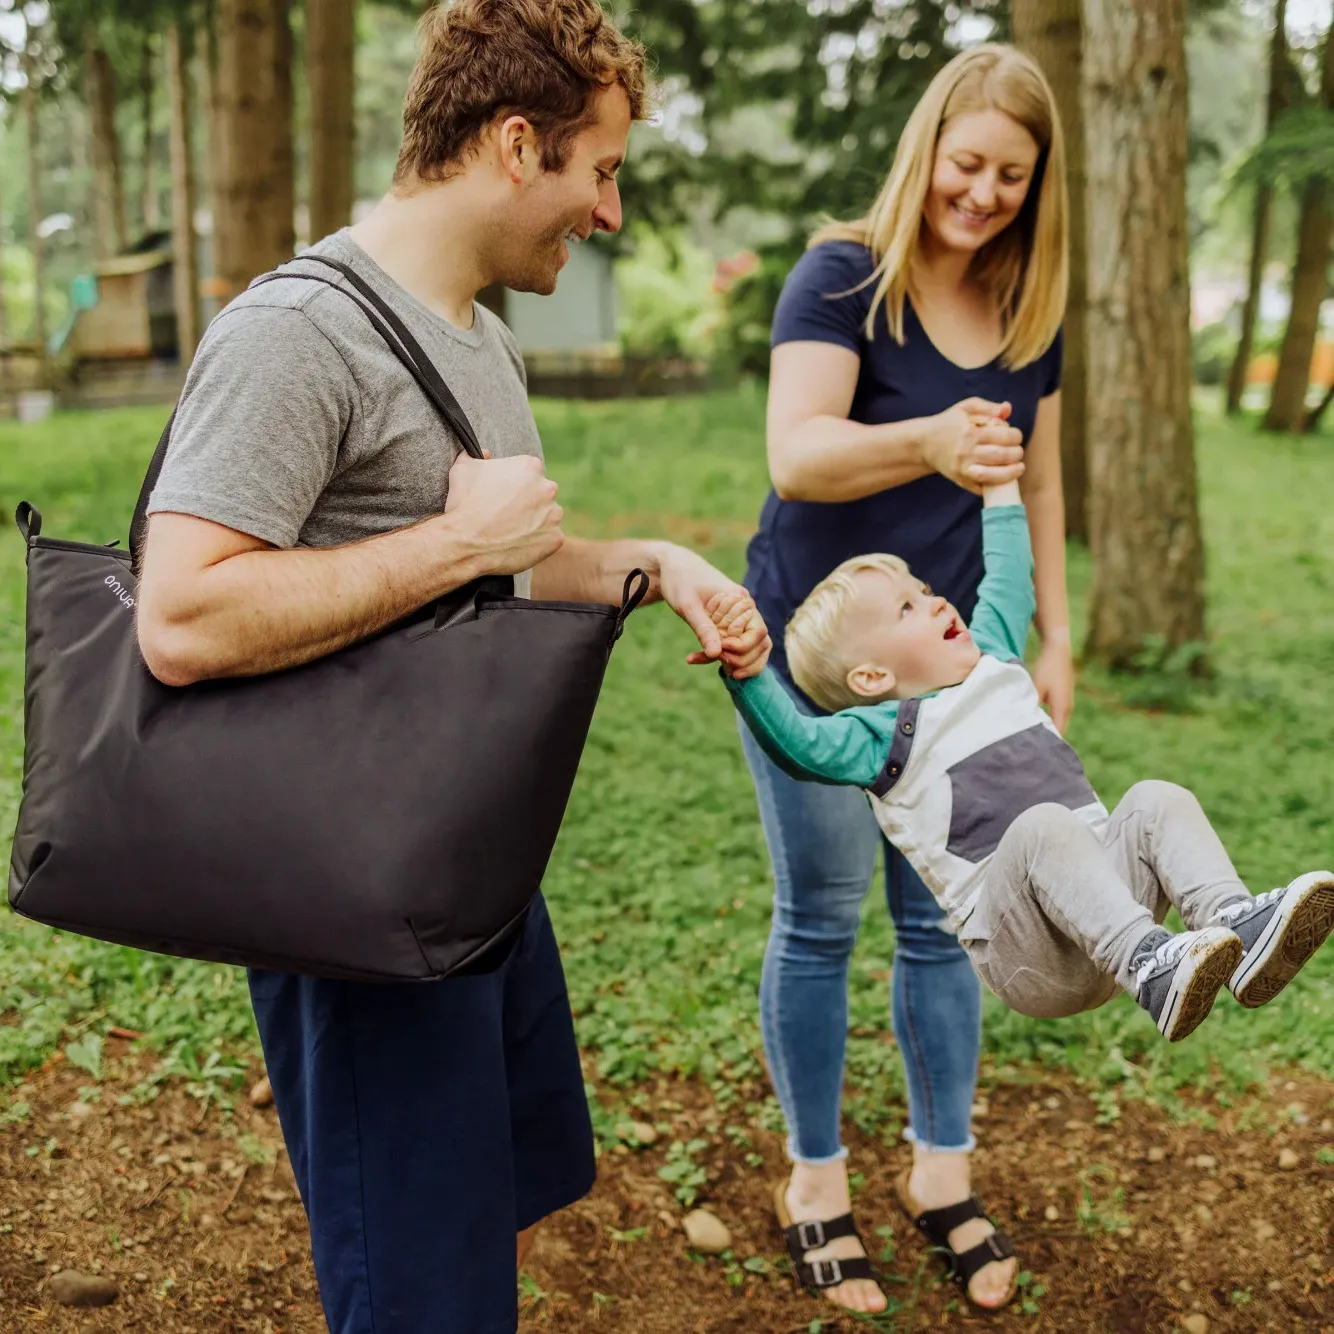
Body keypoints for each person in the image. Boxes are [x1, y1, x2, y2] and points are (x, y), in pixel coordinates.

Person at [134, 4, 768, 1331]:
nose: (606, 212)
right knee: (417, 1290)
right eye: (598, 170)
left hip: (461, 862)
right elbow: (180, 618)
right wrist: (450, 541)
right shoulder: (294, 332)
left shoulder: (471, 331)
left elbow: (504, 563)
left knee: (480, 1222)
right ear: (514, 142)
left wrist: (651, 562)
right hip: (356, 904)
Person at [739, 42, 1070, 1313]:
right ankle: (813, 1182)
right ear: (926, 146)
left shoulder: (1023, 305)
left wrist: (1050, 637)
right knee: (820, 916)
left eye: (1009, 177)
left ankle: (942, 1172)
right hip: (823, 660)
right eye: (966, 163)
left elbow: (1036, 477)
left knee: (942, 918)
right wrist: (928, 439)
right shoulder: (844, 276)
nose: (980, 194)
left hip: (959, 669)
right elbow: (798, 452)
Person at [720, 484, 1334, 1051]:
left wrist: (1000, 486)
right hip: (1030, 956)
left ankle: (1233, 924)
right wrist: (745, 672)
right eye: (907, 608)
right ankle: (1153, 964)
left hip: (1109, 913)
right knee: (1043, 825)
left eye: (925, 590)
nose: (933, 601)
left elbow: (1010, 575)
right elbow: (797, 743)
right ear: (873, 677)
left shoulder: (994, 658)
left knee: (1155, 797)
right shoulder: (879, 738)